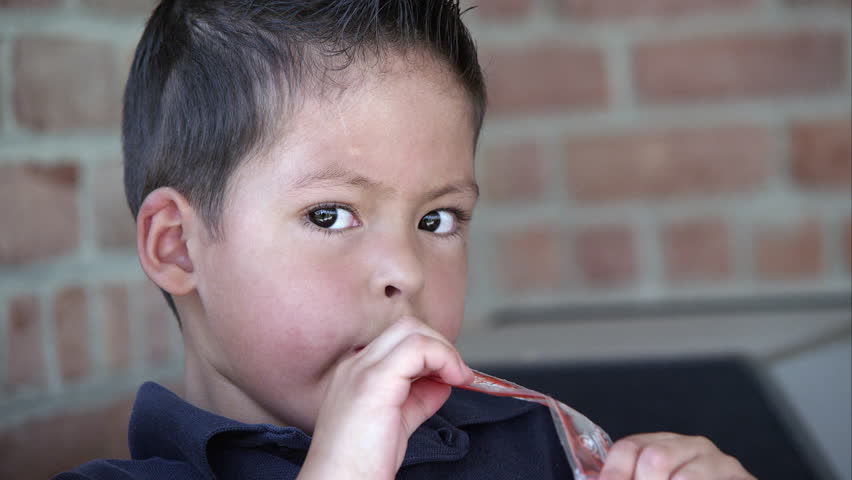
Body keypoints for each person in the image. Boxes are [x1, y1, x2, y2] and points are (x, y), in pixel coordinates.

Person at [55, 1, 755, 479]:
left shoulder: (541, 447)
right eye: (330, 216)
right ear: (178, 246)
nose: (406, 272)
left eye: (437, 220)